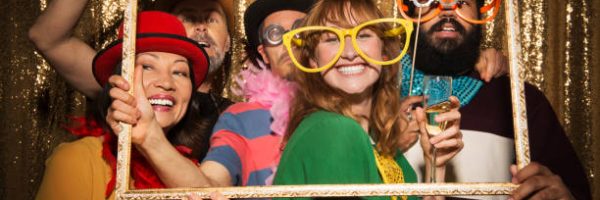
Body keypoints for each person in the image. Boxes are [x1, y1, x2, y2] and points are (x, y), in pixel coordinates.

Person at [29, 0, 234, 188]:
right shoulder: (127, 86)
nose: (201, 26)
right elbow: (47, 38)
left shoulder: (243, 118)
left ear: (228, 43)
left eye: (211, 19)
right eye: (188, 18)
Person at [398, 0, 591, 199]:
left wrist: (564, 195)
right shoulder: (373, 91)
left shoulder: (518, 101)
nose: (447, 8)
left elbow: (574, 191)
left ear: (480, 16)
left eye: (462, 1)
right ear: (409, 11)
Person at [273, 1, 463, 199]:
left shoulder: (383, 147)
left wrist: (435, 165)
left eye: (363, 35)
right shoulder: (333, 130)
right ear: (314, 59)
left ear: (383, 51)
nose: (349, 52)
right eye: (331, 39)